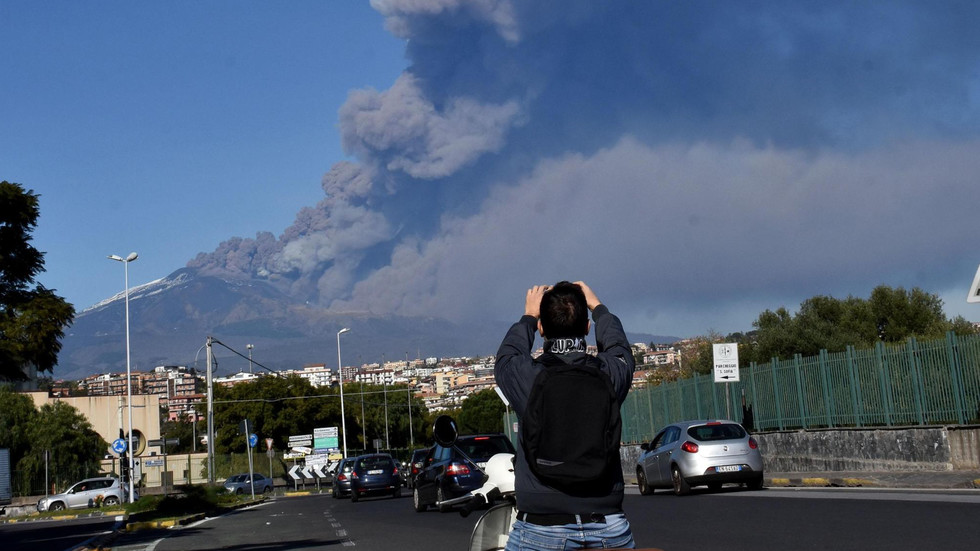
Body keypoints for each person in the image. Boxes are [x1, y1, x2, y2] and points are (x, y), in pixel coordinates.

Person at [495, 281, 636, 550]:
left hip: (540, 527)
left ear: (541, 329)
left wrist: (528, 316)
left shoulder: (529, 379)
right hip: (608, 524)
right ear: (586, 328)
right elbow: (620, 351)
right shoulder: (609, 374)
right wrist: (599, 308)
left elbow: (507, 358)